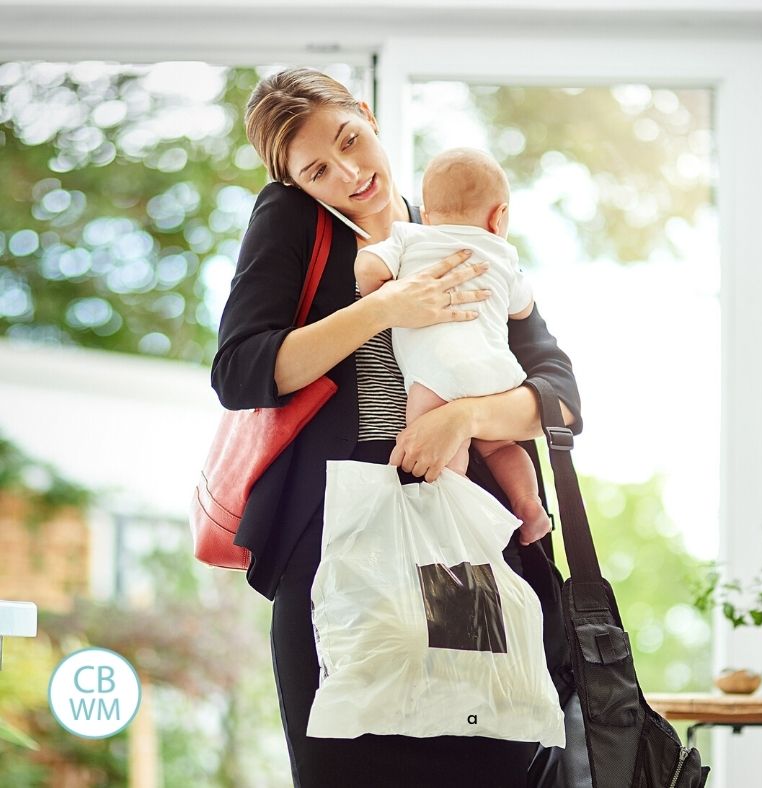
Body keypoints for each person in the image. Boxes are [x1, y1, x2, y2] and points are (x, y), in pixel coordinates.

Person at [210, 67, 582, 788]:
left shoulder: (451, 223)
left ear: (370, 115)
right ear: (293, 182)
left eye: (351, 140)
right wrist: (385, 308)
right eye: (317, 168)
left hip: (456, 547)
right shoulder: (294, 222)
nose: (349, 173)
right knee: (353, 758)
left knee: (486, 749)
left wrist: (465, 419)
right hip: (339, 547)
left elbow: (560, 398)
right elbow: (240, 370)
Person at [354, 147, 551, 546]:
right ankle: (528, 504)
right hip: (496, 372)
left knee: (439, 449)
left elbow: (367, 269)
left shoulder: (410, 236)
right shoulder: (503, 253)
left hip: (436, 371)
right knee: (502, 447)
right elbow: (522, 308)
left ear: (426, 215)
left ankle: (449, 522)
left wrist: (388, 293)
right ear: (499, 217)